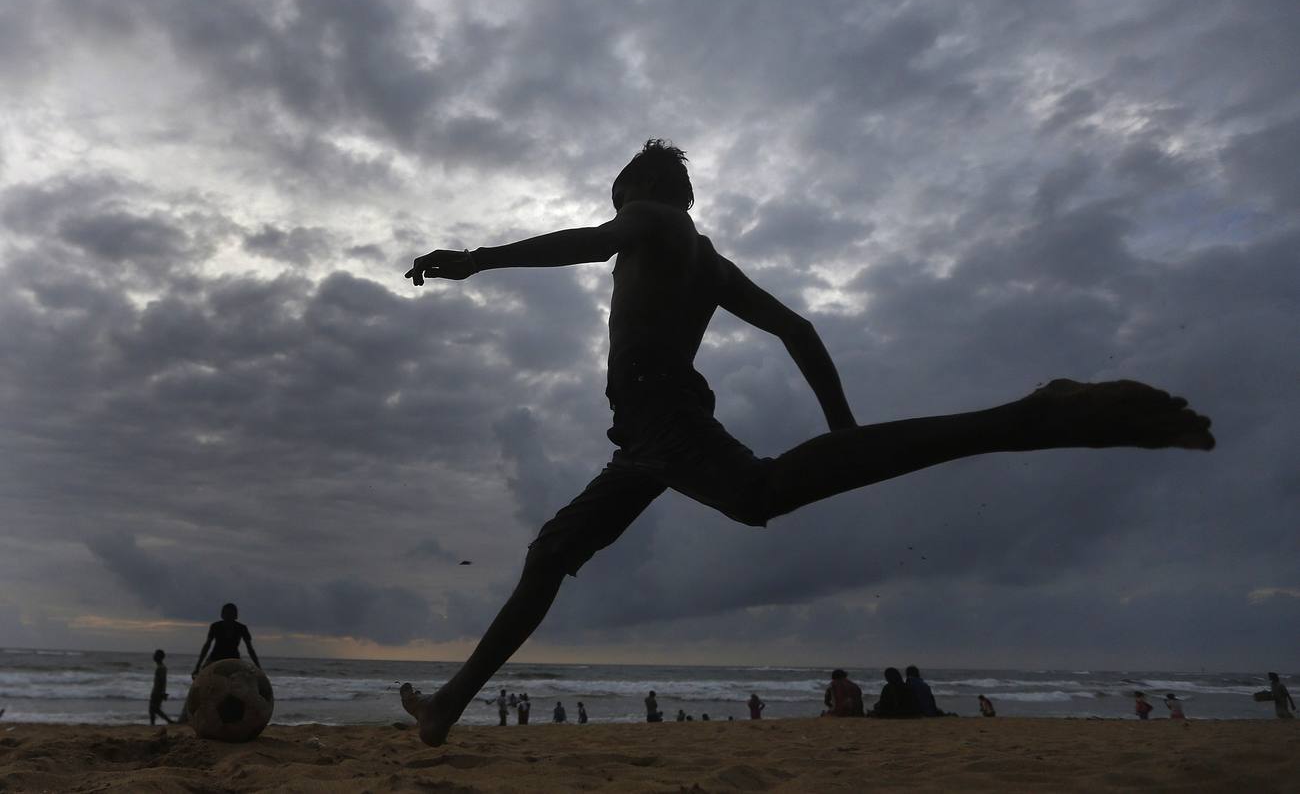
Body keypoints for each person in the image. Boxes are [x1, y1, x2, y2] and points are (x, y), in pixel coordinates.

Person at [396, 139, 1215, 746]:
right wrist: (845, 433)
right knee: (552, 552)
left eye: (625, 203)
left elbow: (591, 241)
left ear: (644, 194)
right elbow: (800, 330)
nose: (624, 218)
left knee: (757, 497)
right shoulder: (712, 264)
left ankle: (1026, 418)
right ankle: (448, 706)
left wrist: (477, 260)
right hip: (647, 433)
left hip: (664, 421)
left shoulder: (649, 218)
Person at [193, 603, 260, 676]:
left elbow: (250, 649)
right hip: (215, 658)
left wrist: (258, 667)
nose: (228, 616)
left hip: (234, 660)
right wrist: (198, 666)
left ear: (235, 616)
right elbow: (207, 645)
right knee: (202, 676)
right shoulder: (215, 626)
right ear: (222, 615)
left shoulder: (242, 628)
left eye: (231, 614)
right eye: (226, 614)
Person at [148, 649, 175, 726]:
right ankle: (155, 723)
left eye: (155, 655)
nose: (154, 656)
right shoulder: (161, 667)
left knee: (153, 709)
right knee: (154, 709)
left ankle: (167, 722)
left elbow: (163, 681)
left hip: (157, 692)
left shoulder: (161, 668)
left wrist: (162, 692)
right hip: (157, 691)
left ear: (159, 657)